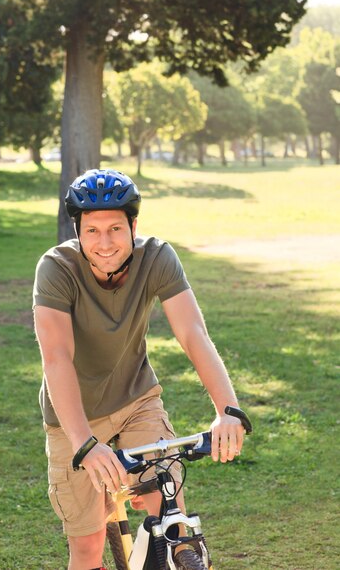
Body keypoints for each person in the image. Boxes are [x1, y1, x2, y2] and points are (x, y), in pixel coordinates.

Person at [33, 168, 246, 570]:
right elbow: (56, 358)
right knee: (88, 546)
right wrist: (85, 444)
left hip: (136, 400)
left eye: (115, 228)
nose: (105, 242)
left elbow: (193, 333)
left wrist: (228, 410)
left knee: (173, 522)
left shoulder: (158, 257)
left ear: (133, 224)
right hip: (74, 416)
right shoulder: (56, 268)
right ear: (77, 229)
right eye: (92, 231)